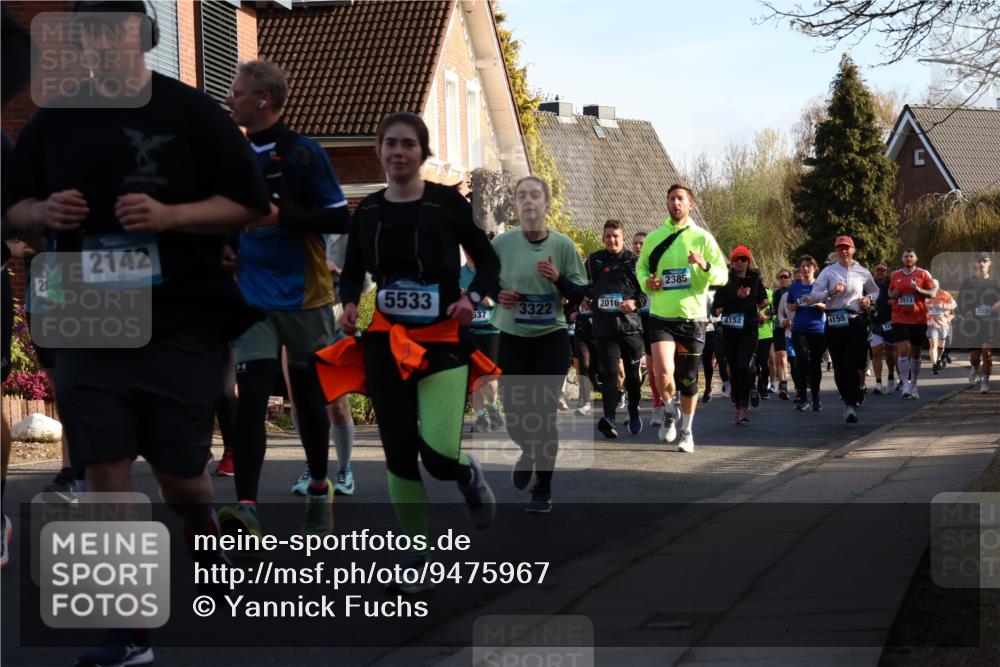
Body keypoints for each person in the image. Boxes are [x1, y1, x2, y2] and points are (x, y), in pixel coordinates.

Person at [5, 3, 271, 663]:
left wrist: (171, 213)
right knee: (105, 467)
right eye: (92, 34)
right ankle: (128, 631)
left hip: (179, 314)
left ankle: (204, 526)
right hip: (87, 310)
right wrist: (43, 209)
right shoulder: (55, 120)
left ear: (144, 41)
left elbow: (253, 203)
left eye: (118, 34)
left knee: (182, 480)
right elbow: (15, 206)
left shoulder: (191, 113)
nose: (103, 46)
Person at [320, 112, 500, 590]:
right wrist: (349, 303)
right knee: (399, 455)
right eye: (389, 144)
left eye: (407, 144)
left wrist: (473, 297)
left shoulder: (445, 205)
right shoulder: (371, 211)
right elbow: (354, 266)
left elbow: (487, 261)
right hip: (386, 341)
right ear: (379, 153)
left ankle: (465, 476)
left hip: (442, 339)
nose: (397, 152)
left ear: (422, 154)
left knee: (439, 456)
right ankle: (416, 555)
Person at [218, 60, 353, 539]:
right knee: (250, 398)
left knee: (310, 404)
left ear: (263, 99)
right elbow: (230, 216)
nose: (229, 98)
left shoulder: (304, 153)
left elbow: (339, 219)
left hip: (305, 295)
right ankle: (247, 507)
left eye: (236, 91)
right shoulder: (233, 155)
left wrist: (282, 218)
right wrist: (228, 248)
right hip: (252, 297)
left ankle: (320, 486)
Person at [492, 176, 588, 512]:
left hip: (551, 338)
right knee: (516, 416)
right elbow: (485, 282)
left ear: (546, 205)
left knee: (544, 415)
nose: (529, 201)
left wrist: (557, 279)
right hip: (512, 337)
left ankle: (543, 488)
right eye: (522, 197)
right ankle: (530, 451)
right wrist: (497, 295)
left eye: (535, 196)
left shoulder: (562, 246)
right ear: (516, 206)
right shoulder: (502, 244)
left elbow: (580, 294)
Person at [637, 184, 728, 451]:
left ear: (691, 205)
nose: (676, 203)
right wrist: (647, 283)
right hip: (661, 315)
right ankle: (668, 410)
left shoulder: (703, 237)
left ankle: (686, 431)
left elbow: (722, 275)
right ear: (667, 203)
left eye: (681, 199)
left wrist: (704, 265)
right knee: (663, 372)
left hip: (693, 317)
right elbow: (641, 269)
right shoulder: (654, 237)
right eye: (672, 199)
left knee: (688, 379)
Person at [806, 237, 879, 422]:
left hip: (855, 320)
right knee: (840, 364)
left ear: (853, 249)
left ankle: (856, 392)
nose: (843, 251)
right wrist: (830, 292)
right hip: (834, 321)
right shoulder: (828, 272)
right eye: (840, 249)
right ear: (836, 251)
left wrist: (868, 299)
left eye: (847, 248)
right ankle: (848, 403)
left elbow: (875, 291)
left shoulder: (862, 271)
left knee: (855, 361)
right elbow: (813, 296)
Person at [585, 219, 647, 438]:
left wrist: (635, 303)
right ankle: (609, 418)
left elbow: (646, 292)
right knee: (610, 372)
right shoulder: (594, 260)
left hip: (630, 328)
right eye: (608, 236)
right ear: (603, 238)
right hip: (605, 328)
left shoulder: (634, 261)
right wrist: (584, 299)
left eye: (616, 236)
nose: (612, 240)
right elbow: (585, 286)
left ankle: (633, 409)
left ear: (623, 238)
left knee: (632, 375)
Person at [712, 246, 769, 424]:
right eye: (736, 259)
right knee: (735, 367)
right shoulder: (724, 279)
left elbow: (763, 299)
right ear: (732, 261)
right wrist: (736, 296)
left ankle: (743, 405)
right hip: (730, 328)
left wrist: (764, 304)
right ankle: (739, 400)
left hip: (749, 328)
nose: (739, 262)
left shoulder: (755, 278)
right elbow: (715, 308)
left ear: (748, 261)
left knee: (745, 364)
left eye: (743, 259)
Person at [462, 252, 504, 431]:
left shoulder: (491, 273)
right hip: (466, 330)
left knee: (489, 375)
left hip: (489, 329)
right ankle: (480, 417)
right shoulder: (458, 273)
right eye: (466, 250)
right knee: (469, 376)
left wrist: (472, 294)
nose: (470, 254)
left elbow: (493, 303)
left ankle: (493, 409)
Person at [888, 248, 938, 399]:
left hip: (918, 318)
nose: (908, 259)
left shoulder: (923, 273)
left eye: (911, 256)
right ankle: (905, 384)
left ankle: (914, 384)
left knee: (915, 352)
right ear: (902, 259)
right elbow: (890, 293)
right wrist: (894, 294)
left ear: (915, 258)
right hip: (899, 317)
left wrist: (919, 289)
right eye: (906, 256)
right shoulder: (896, 275)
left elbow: (933, 292)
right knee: (903, 349)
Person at [633, 231, 667, 425]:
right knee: (651, 365)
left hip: (661, 315)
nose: (638, 246)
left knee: (665, 366)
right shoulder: (630, 265)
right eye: (636, 243)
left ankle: (668, 399)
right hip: (639, 318)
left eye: (642, 243)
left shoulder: (660, 262)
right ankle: (656, 406)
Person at [787, 256, 827, 411]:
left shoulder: (820, 286)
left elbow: (828, 306)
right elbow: (790, 306)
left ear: (814, 268)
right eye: (802, 266)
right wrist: (796, 304)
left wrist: (816, 303)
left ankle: (816, 396)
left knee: (815, 364)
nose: (805, 269)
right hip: (799, 329)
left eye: (808, 266)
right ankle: (803, 397)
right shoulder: (795, 287)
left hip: (817, 329)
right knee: (801, 363)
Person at [958, 252, 999, 393]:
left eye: (984, 261)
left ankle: (985, 383)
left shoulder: (995, 283)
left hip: (990, 323)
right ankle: (975, 367)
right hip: (973, 324)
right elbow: (960, 302)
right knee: (974, 357)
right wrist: (966, 312)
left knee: (987, 353)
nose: (982, 263)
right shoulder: (968, 282)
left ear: (989, 263)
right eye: (979, 261)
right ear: (975, 263)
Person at [869, 263, 897, 394]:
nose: (880, 272)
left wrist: (893, 301)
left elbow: (898, 299)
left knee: (891, 354)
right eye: (878, 270)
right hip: (874, 324)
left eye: (883, 270)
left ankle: (891, 376)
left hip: (889, 323)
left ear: (887, 272)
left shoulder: (892, 284)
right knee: (876, 352)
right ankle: (878, 382)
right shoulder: (869, 285)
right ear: (874, 272)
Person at [771, 270, 793, 399]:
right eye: (780, 277)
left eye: (785, 277)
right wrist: (770, 312)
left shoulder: (795, 291)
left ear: (790, 279)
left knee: (795, 360)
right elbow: (776, 310)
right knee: (781, 357)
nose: (782, 279)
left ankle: (800, 383)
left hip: (795, 327)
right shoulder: (776, 293)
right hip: (780, 327)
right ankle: (783, 385)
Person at [926, 287, 956, 374]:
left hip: (944, 325)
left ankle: (941, 357)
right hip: (931, 324)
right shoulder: (926, 297)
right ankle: (934, 364)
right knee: (933, 345)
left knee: (943, 346)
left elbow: (953, 313)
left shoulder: (946, 299)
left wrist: (947, 318)